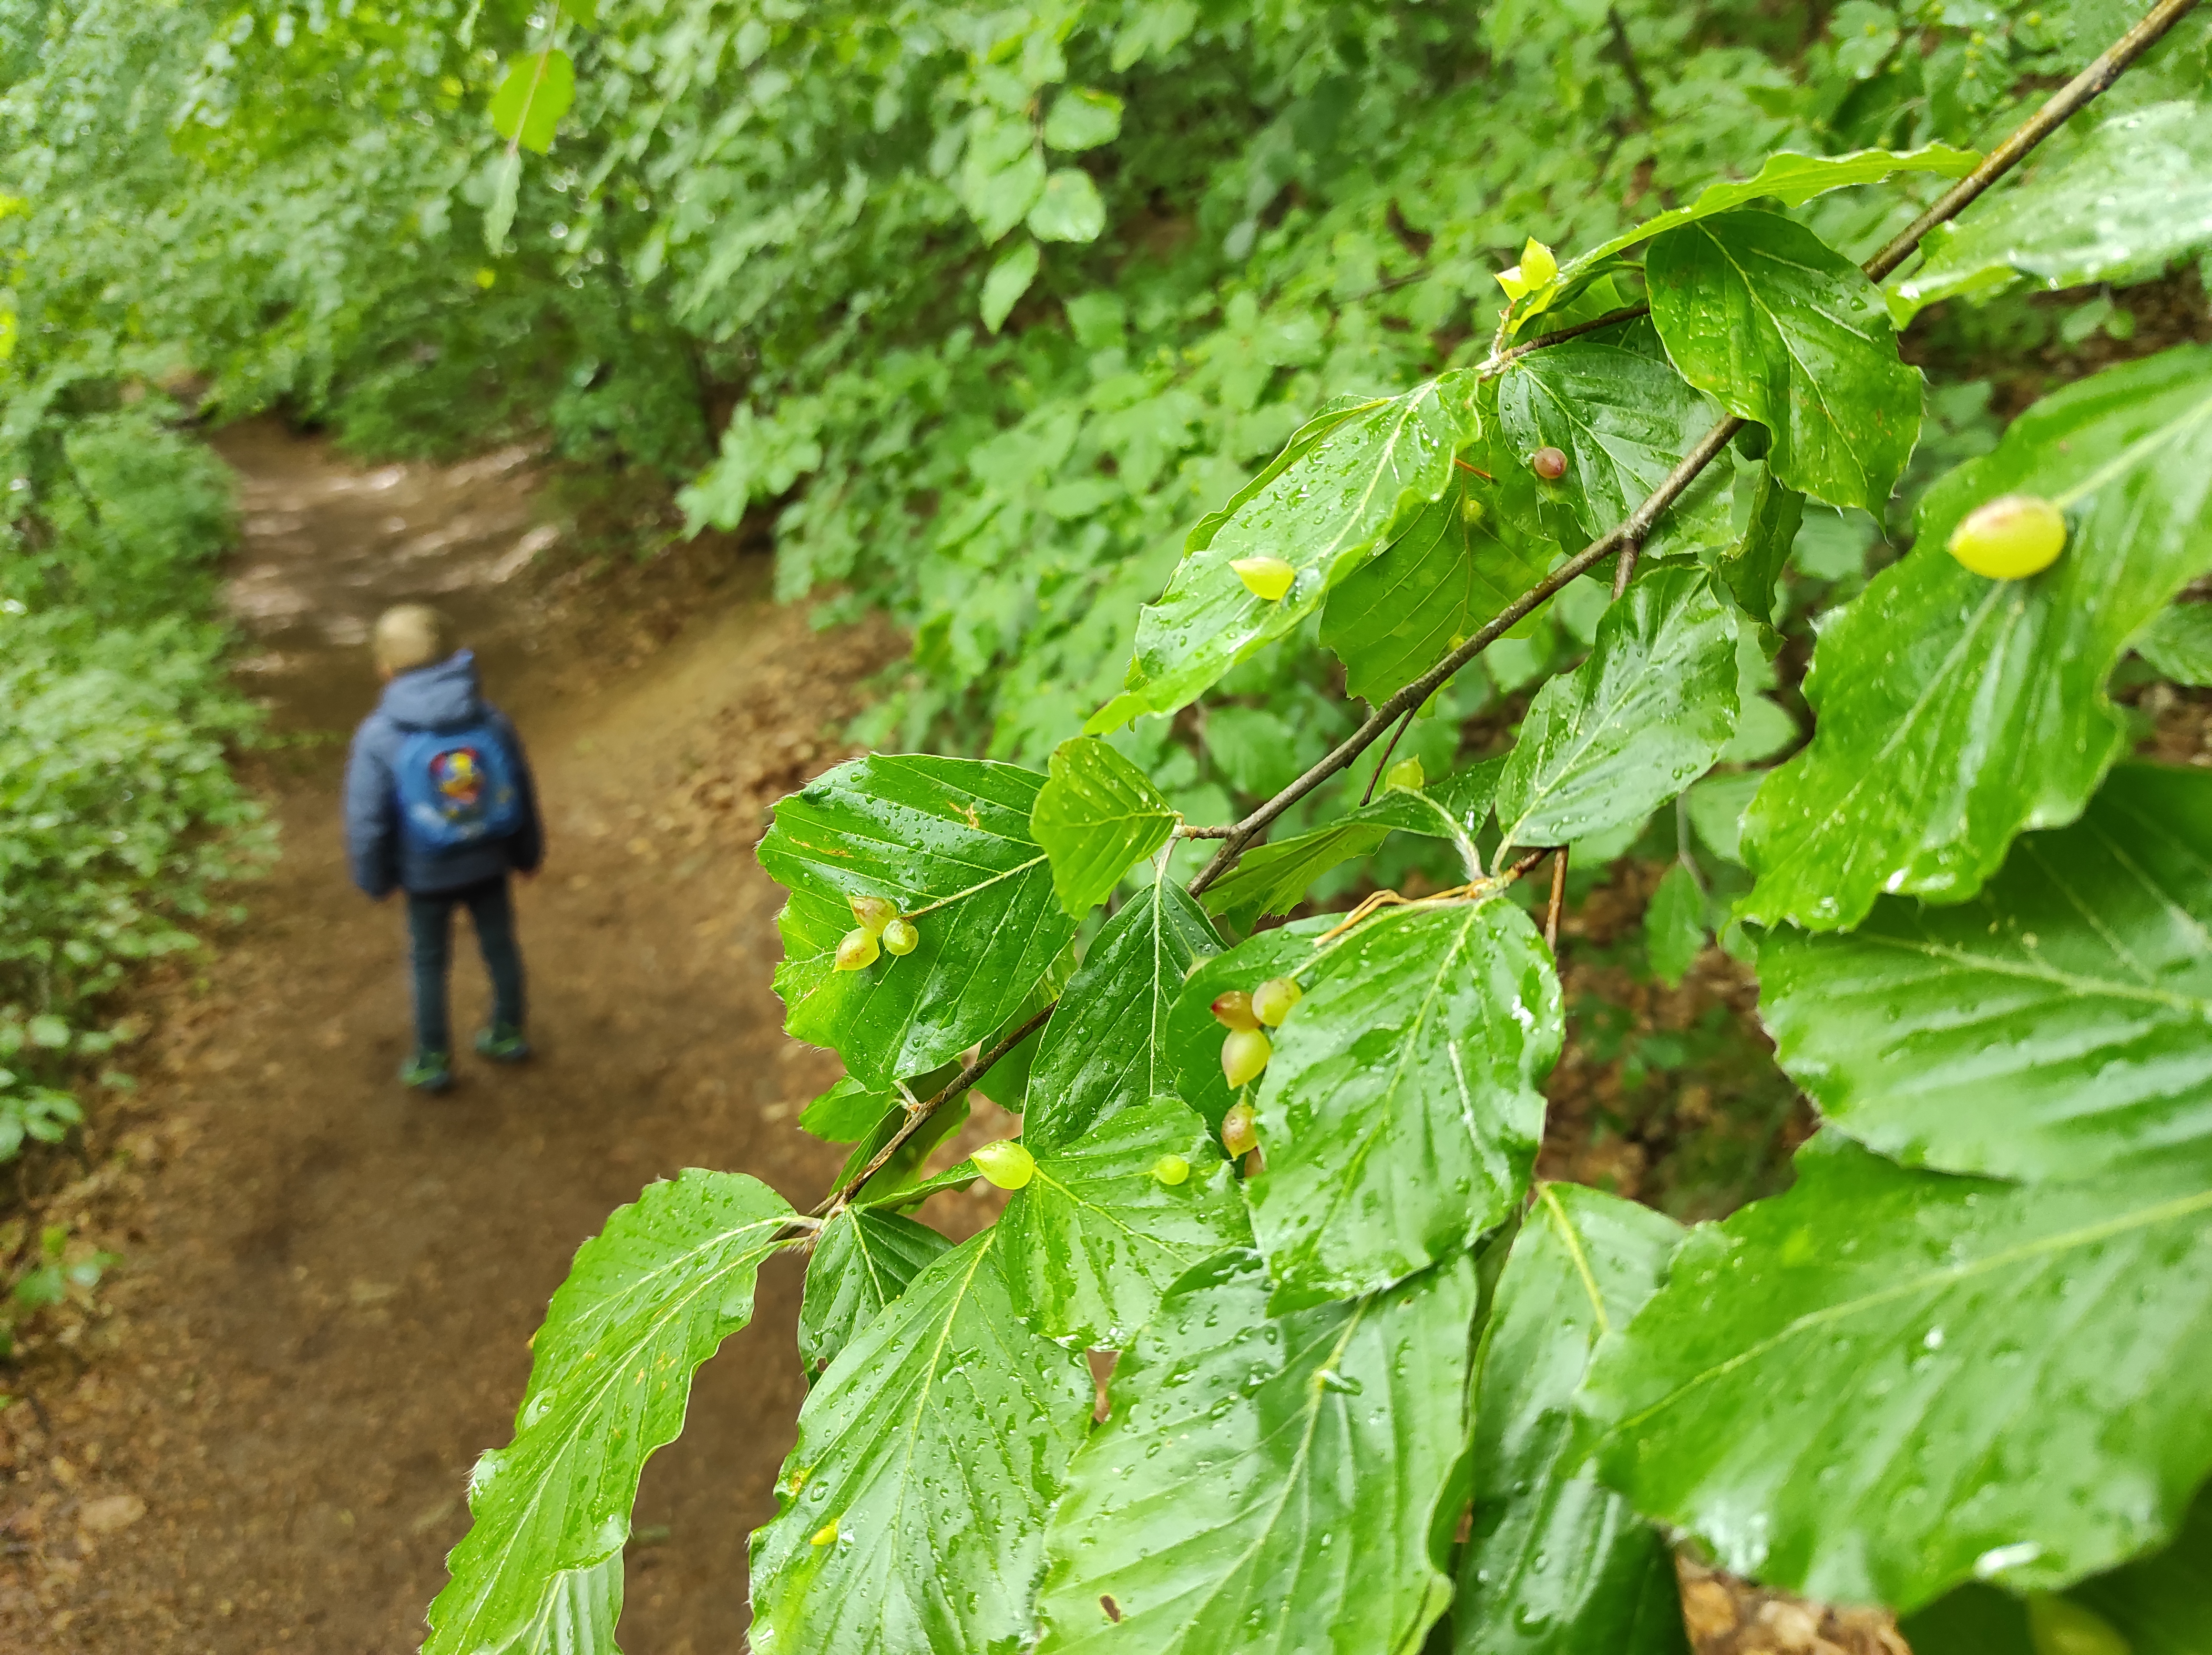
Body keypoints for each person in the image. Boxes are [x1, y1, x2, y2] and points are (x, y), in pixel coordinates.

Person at [343, 604, 543, 1093]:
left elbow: (367, 818)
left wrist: (375, 876)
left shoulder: (379, 735)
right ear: (455, 657)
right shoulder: (488, 717)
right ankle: (507, 1030)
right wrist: (526, 852)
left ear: (384, 669)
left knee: (428, 960)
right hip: (489, 857)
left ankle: (432, 1058)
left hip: (424, 872)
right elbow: (519, 785)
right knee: (500, 945)